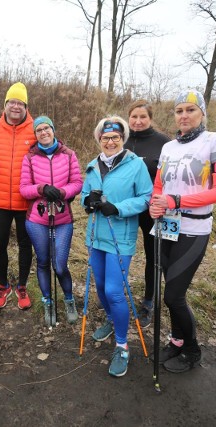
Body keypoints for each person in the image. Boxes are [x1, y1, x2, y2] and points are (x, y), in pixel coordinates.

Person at [149, 90, 216, 373]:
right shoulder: (169, 147)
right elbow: (159, 185)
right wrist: (155, 204)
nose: (184, 115)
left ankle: (192, 349)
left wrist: (178, 201)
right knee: (172, 292)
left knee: (173, 295)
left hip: (194, 228)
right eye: (179, 111)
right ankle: (176, 340)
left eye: (190, 110)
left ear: (202, 113)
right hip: (167, 225)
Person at [81, 116, 152, 377]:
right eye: (105, 138)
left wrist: (118, 208)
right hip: (95, 236)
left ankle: (122, 345)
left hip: (120, 237)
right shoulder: (92, 166)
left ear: (122, 139)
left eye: (115, 137)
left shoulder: (135, 166)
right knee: (100, 287)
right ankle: (111, 319)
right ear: (99, 140)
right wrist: (88, 201)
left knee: (113, 290)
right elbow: (83, 196)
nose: (110, 142)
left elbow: (146, 197)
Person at [19, 116, 83, 327]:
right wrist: (42, 189)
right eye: (39, 130)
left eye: (47, 128)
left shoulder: (69, 155)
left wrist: (62, 192)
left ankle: (69, 299)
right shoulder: (29, 158)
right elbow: (24, 188)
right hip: (37, 219)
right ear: (35, 135)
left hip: (63, 218)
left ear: (53, 130)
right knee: (44, 261)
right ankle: (47, 301)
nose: (43, 132)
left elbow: (77, 182)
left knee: (60, 264)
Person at [0, 82, 35, 310]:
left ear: (25, 106)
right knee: (0, 244)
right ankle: (3, 286)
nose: (15, 106)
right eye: (11, 102)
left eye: (20, 103)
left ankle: (22, 286)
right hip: (0, 201)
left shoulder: (36, 130)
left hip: (26, 202)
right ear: (5, 105)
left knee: (25, 245)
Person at [124, 100, 170, 327]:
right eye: (134, 117)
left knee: (153, 256)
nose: (138, 121)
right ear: (128, 118)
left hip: (153, 210)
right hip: (127, 208)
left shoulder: (164, 143)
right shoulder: (121, 140)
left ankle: (149, 302)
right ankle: (114, 295)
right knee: (120, 250)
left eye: (143, 117)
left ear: (150, 118)